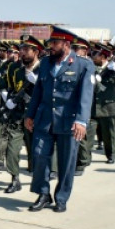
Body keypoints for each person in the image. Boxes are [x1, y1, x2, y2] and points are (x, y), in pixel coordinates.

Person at [23, 26, 95, 213]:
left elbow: (86, 96)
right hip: (45, 119)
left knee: (66, 161)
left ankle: (61, 197)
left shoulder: (83, 65)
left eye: (55, 43)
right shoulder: (46, 63)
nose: (51, 47)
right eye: (50, 43)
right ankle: (43, 194)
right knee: (39, 156)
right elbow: (38, 90)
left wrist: (81, 121)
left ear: (66, 44)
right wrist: (29, 115)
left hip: (68, 121)